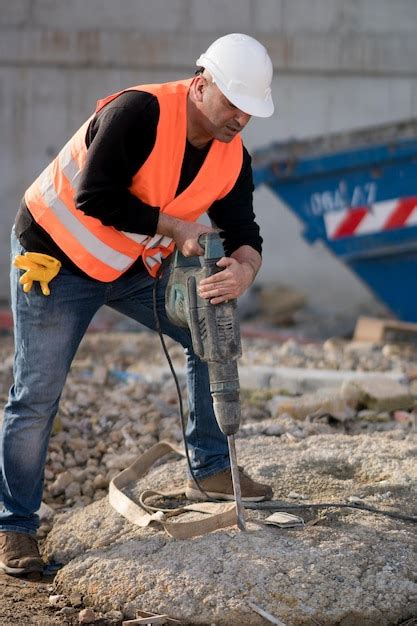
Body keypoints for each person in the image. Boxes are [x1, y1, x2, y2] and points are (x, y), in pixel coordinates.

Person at [0, 33, 274, 575]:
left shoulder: (233, 157)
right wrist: (175, 227)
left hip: (128, 264)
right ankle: (15, 528)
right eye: (233, 104)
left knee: (209, 328)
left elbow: (246, 231)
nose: (240, 119)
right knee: (36, 396)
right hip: (56, 259)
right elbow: (94, 196)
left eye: (250, 110)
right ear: (201, 86)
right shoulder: (139, 111)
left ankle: (212, 466)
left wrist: (243, 269)